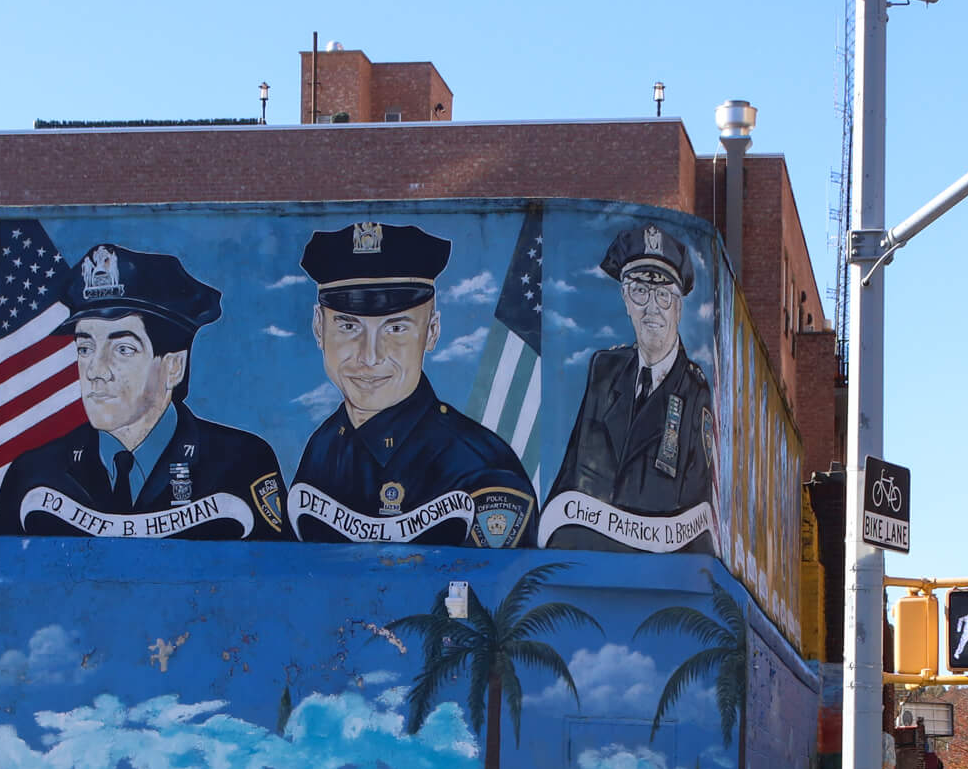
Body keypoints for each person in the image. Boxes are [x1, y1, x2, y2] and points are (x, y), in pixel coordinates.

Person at [0, 244, 291, 539]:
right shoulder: (35, 474)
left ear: (173, 366)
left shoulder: (239, 465)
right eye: (85, 347)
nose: (96, 370)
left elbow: (277, 580)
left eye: (122, 349)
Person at [289, 221, 537, 548]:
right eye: (348, 326)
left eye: (395, 329)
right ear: (319, 328)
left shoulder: (480, 469)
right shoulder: (324, 445)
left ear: (431, 332)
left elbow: (494, 596)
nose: (370, 356)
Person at [543, 222, 717, 552]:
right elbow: (570, 477)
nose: (652, 308)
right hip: (584, 566)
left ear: (679, 307)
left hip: (654, 581)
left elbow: (697, 519)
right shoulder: (604, 371)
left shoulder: (695, 392)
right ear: (625, 299)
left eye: (664, 295)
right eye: (640, 291)